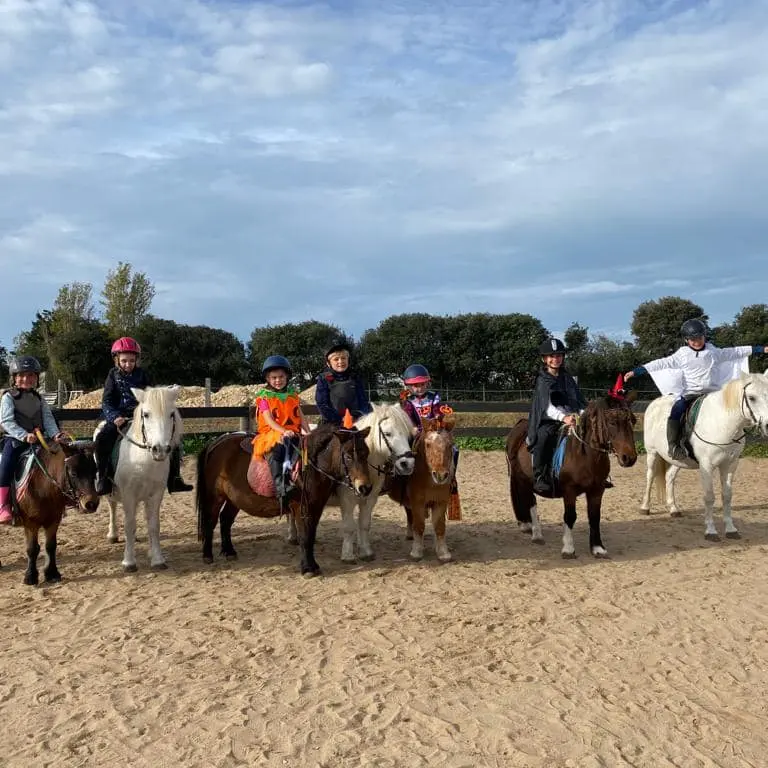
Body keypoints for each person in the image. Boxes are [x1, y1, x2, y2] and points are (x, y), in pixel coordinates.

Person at [624, 319, 765, 460]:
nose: (697, 342)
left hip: (713, 393)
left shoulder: (713, 352)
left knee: (736, 407)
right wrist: (637, 371)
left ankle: (736, 443)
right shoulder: (682, 355)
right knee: (677, 410)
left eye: (699, 338)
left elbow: (736, 351)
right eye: (693, 339)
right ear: (686, 340)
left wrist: (761, 349)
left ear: (704, 336)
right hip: (691, 393)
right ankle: (674, 446)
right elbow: (661, 363)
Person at [94, 337, 193, 496]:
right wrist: (114, 416)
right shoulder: (112, 376)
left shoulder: (142, 374)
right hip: (120, 416)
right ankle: (103, 478)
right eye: (124, 360)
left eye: (132, 360)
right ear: (116, 360)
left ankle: (174, 478)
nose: (128, 364)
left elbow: (151, 395)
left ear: (136, 360)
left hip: (142, 416)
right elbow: (106, 401)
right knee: (102, 439)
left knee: (171, 440)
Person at [0, 356, 68, 524]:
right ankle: (3, 505)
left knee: (60, 459)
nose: (26, 379)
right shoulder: (8, 397)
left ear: (37, 378)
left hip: (40, 439)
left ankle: (63, 499)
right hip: (16, 440)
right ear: (14, 378)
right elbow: (6, 421)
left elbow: (48, 419)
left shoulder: (39, 398)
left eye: (31, 375)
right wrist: (23, 435)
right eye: (21, 375)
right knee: (6, 464)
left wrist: (55, 435)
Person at [527, 338, 587, 496]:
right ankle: (539, 476)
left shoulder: (567, 378)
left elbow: (578, 400)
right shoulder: (542, 380)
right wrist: (564, 418)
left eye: (559, 355)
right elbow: (547, 407)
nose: (555, 359)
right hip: (550, 419)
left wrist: (583, 414)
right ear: (544, 359)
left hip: (572, 415)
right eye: (551, 356)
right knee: (543, 438)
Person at [398, 363, 461, 512]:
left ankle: (451, 477)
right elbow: (407, 415)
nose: (418, 388)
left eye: (421, 384)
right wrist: (412, 427)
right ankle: (401, 481)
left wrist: (439, 419)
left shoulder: (434, 396)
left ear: (427, 383)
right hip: (416, 432)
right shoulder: (406, 400)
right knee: (402, 452)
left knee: (454, 449)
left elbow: (437, 411)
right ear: (408, 386)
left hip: (433, 431)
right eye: (414, 385)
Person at [251, 355, 309, 506]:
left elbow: (300, 415)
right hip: (272, 432)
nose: (278, 380)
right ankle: (280, 486)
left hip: (292, 431)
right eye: (274, 377)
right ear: (268, 379)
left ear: (287, 377)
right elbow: (269, 419)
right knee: (277, 448)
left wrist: (308, 431)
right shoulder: (264, 398)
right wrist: (283, 431)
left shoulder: (292, 395)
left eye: (281, 377)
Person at [314, 339, 372, 426]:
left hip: (356, 422)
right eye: (336, 359)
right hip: (332, 423)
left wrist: (357, 416)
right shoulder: (323, 379)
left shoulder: (355, 377)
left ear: (348, 360)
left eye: (343, 358)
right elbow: (322, 404)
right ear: (329, 363)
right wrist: (339, 419)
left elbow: (363, 401)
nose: (340, 361)